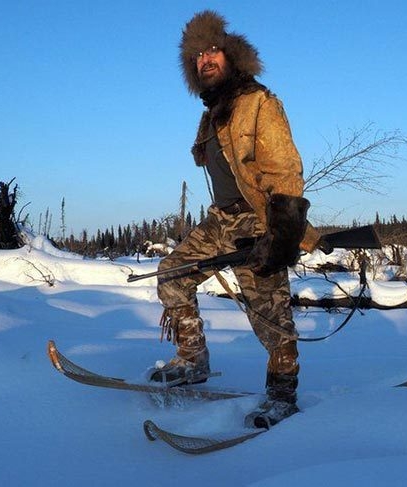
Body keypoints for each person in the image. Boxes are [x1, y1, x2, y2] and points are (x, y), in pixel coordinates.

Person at [151, 10, 323, 429]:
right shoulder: (212, 113)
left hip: (258, 222)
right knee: (172, 273)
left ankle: (282, 395)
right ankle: (192, 358)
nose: (205, 60)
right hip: (221, 222)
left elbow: (285, 171)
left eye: (212, 51)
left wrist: (280, 239)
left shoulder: (259, 103)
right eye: (197, 56)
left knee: (268, 314)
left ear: (230, 54)